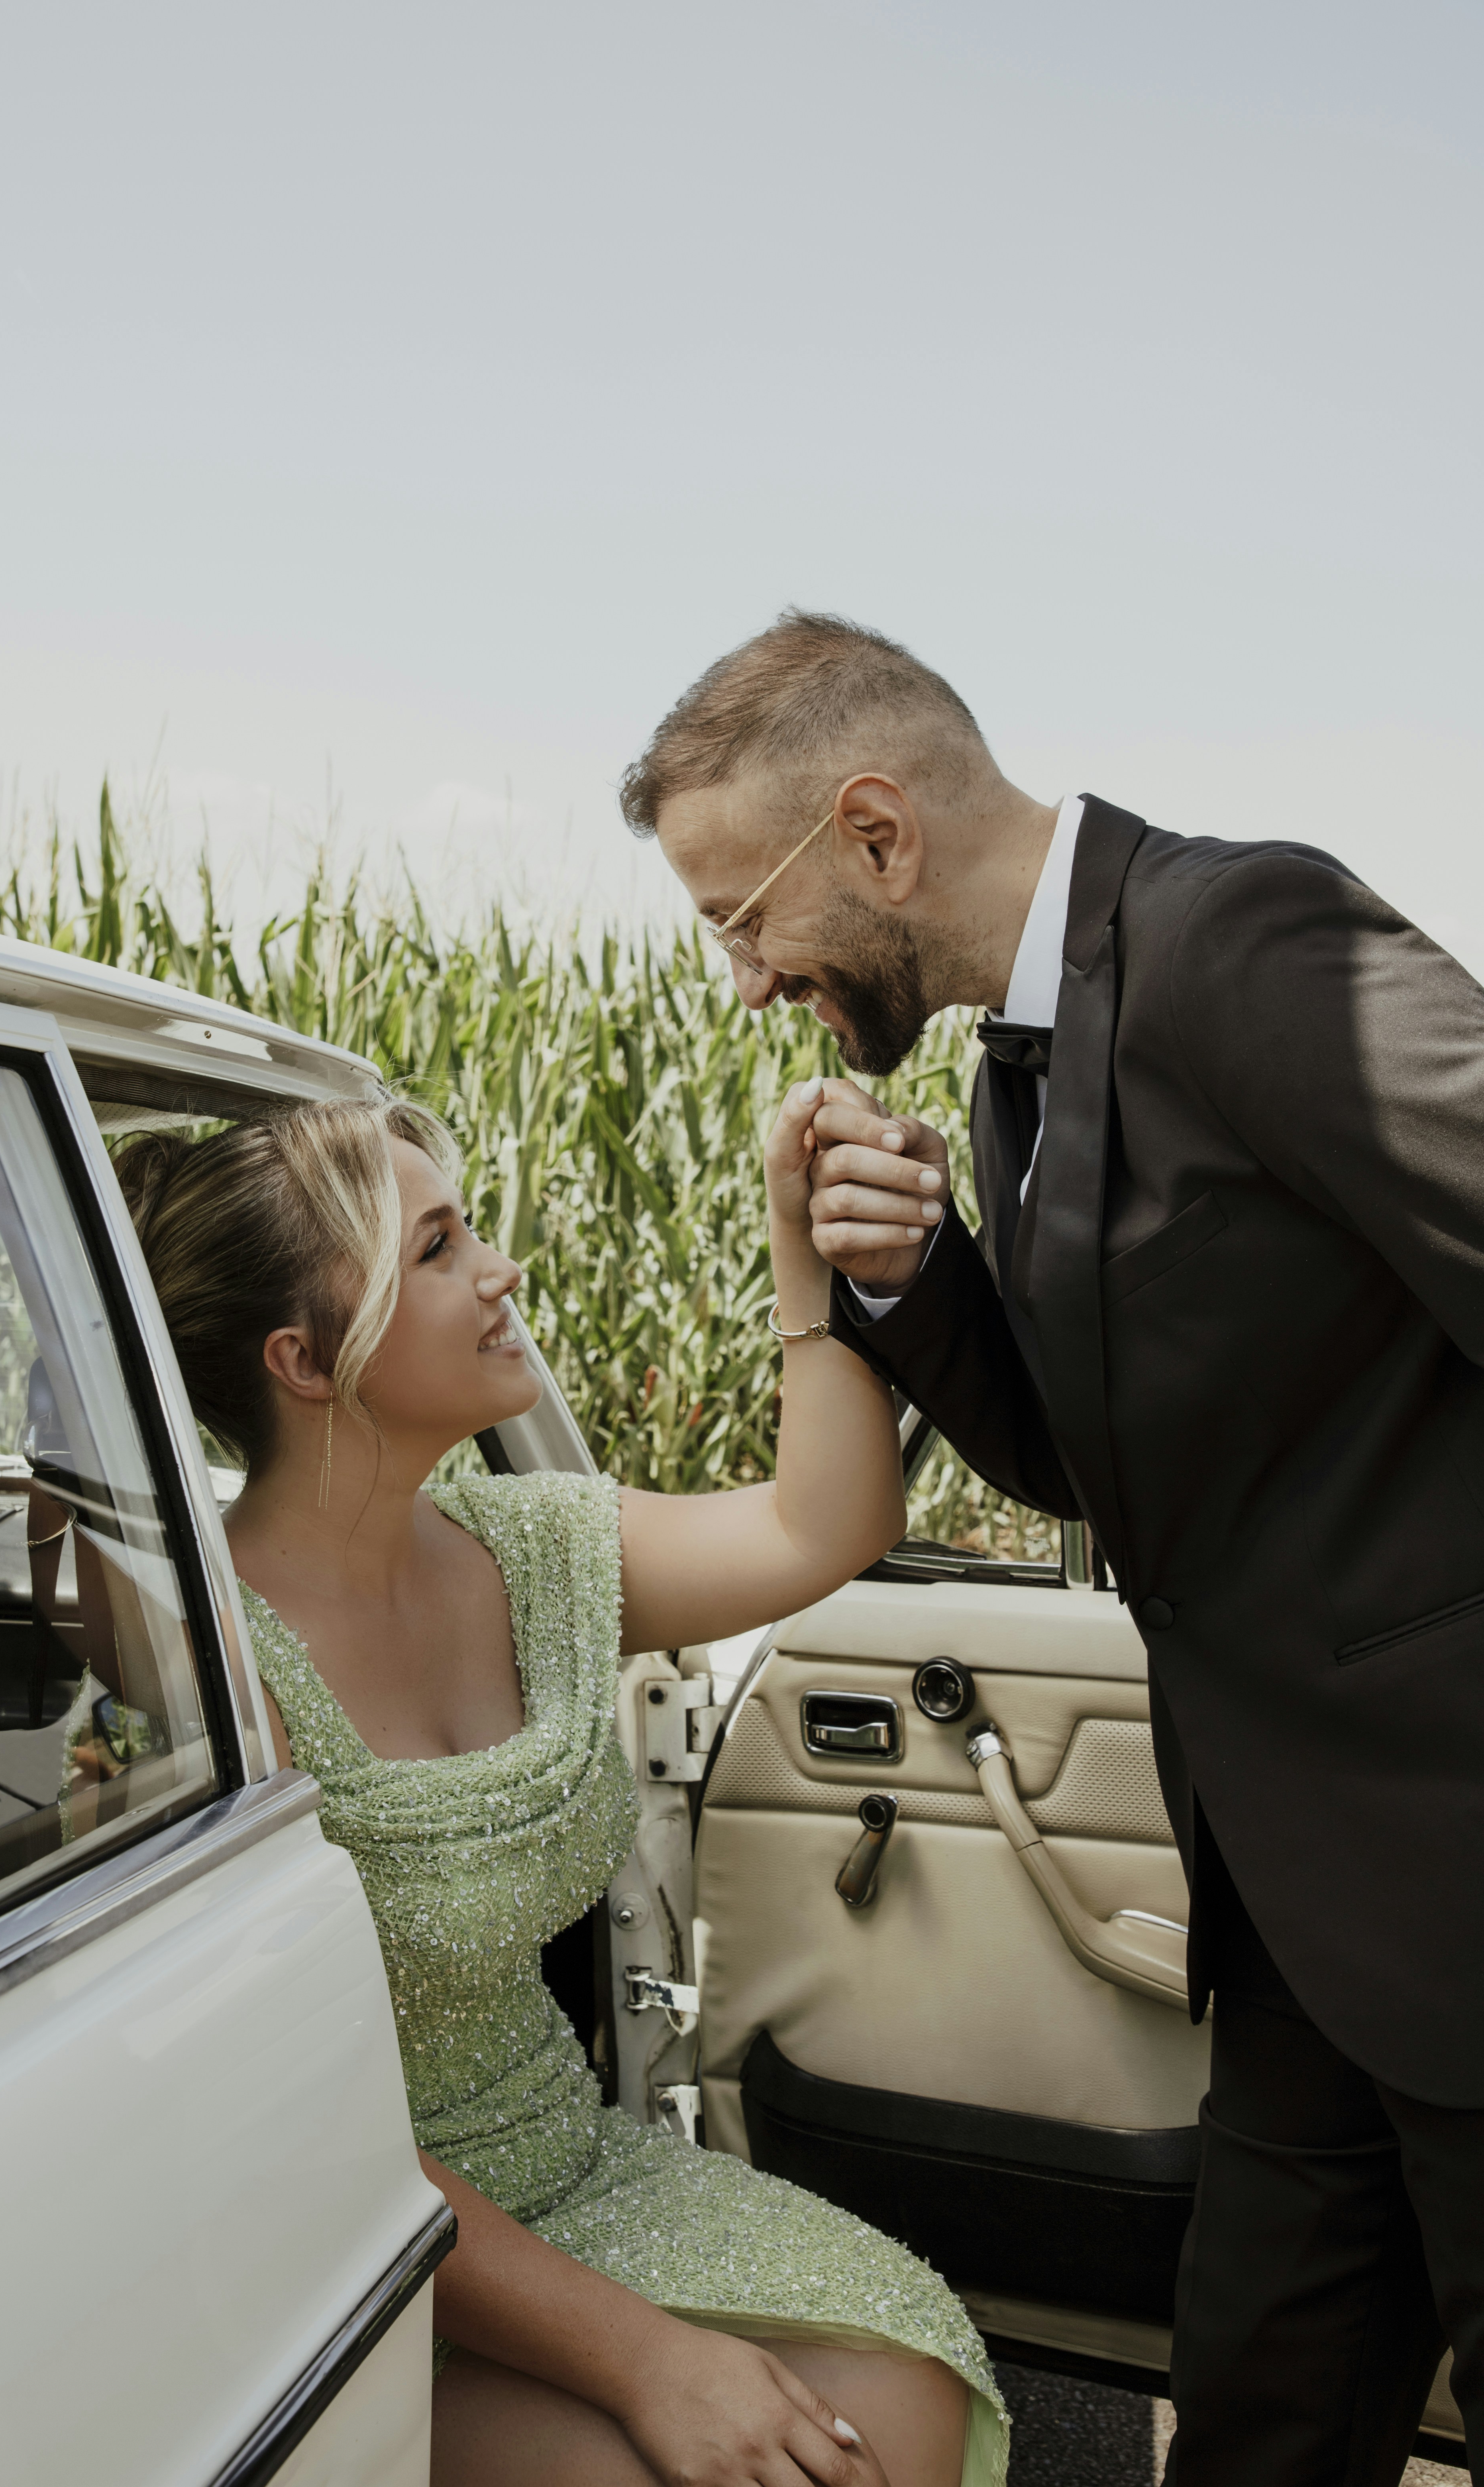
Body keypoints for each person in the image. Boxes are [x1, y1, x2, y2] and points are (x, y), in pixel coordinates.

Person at [624, 606, 1484, 2487]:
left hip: (1449, 1871)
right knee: (1253, 2426)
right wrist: (917, 1279)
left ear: (874, 831)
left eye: (733, 917)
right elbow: (1113, 1483)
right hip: (1298, 1936)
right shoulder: (1020, 1064)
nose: (747, 981)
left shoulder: (1235, 940)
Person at [114, 1089, 1005, 2487]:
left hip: (574, 2171)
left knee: (899, 2401)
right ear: (303, 1357)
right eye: (438, 1249)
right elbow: (282, 2140)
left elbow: (828, 1520)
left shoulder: (531, 1546)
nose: (501, 1271)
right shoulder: (206, 1659)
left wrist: (798, 1242)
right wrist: (652, 2362)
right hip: (345, 2244)